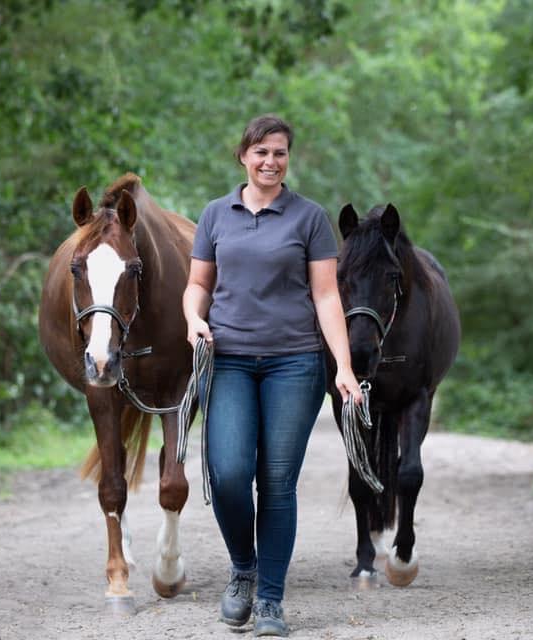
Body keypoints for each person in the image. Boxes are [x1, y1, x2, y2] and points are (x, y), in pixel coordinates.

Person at [182, 114, 362, 637]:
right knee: (229, 475)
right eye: (261, 152)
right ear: (243, 156)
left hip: (295, 362)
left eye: (279, 153)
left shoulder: (309, 217)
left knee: (276, 482)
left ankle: (270, 601)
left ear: (288, 159)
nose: (270, 161)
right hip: (230, 360)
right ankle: (243, 569)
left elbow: (327, 295)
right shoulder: (217, 214)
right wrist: (194, 319)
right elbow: (198, 284)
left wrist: (344, 367)